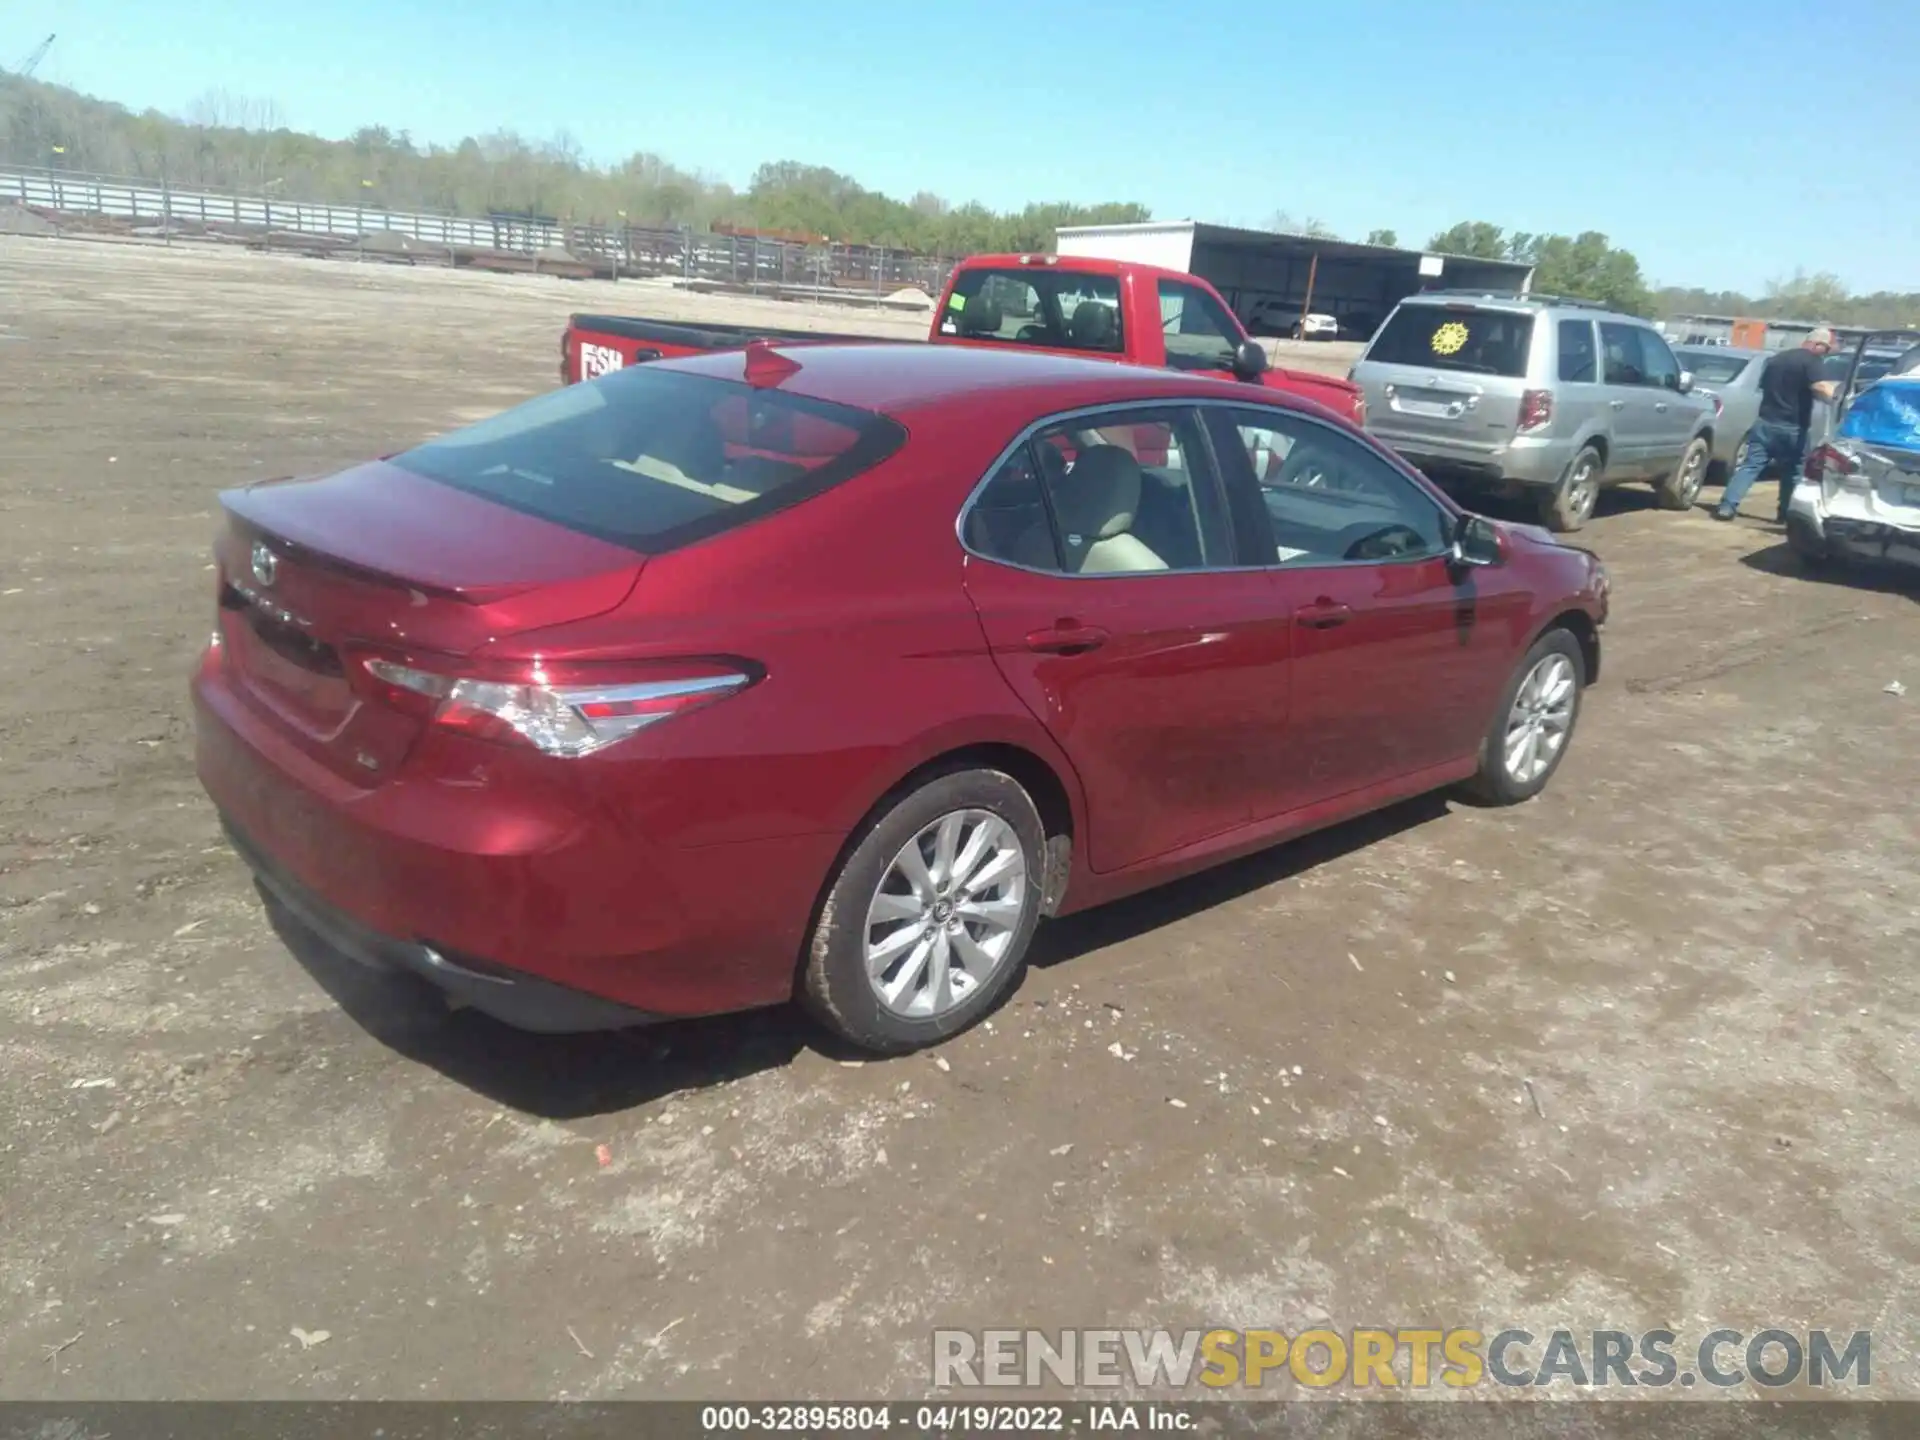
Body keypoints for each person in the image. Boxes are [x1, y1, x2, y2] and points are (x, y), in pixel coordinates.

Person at [1714, 327, 1840, 522]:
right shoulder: (1811, 361)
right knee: (1793, 472)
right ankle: (1786, 514)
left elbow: (1765, 387)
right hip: (1793, 427)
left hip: (1765, 422)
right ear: (1817, 345)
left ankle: (1727, 506)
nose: (1826, 354)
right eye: (1826, 349)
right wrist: (1840, 402)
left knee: (1750, 466)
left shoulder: (1776, 359)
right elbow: (1820, 387)